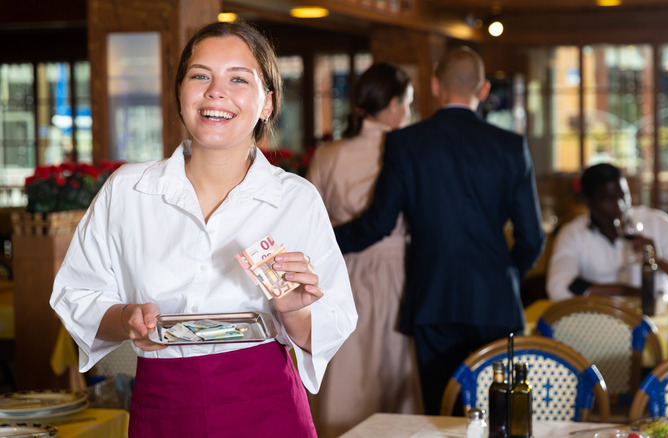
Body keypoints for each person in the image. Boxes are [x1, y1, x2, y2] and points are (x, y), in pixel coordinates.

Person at [49, 21, 357, 437]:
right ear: (180, 93)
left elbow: (332, 323)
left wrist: (292, 309)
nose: (216, 92)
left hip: (266, 405)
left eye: (238, 79)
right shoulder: (129, 190)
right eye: (200, 76)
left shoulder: (295, 200)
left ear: (267, 103)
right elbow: (76, 294)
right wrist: (126, 318)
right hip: (163, 407)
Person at [333, 46, 546, 415]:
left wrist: (322, 239)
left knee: (442, 413)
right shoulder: (511, 147)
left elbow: (378, 224)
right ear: (482, 90)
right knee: (498, 412)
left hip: (433, 295)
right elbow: (532, 237)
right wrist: (506, 273)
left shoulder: (406, 143)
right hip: (495, 298)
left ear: (434, 85)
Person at [306, 62, 423, 437]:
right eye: (406, 103)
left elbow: (309, 222)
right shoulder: (408, 152)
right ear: (390, 106)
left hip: (339, 270)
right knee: (391, 365)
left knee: (348, 368)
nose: (407, 113)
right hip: (395, 270)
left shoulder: (329, 155)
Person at [546, 162, 668, 305]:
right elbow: (558, 288)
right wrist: (625, 291)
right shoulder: (573, 234)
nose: (619, 207)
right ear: (588, 201)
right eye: (608, 200)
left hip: (658, 323)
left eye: (623, 196)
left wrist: (656, 259)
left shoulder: (657, 223)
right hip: (601, 325)